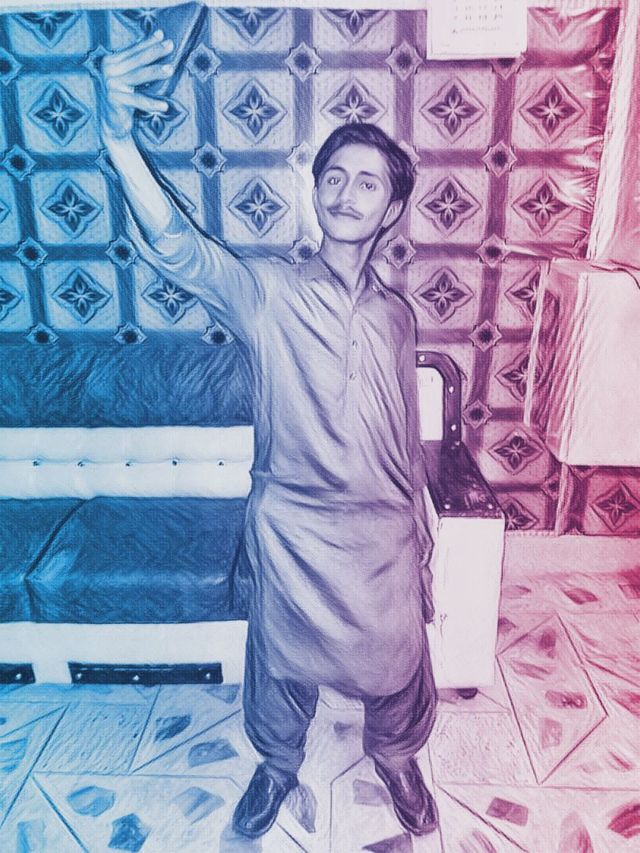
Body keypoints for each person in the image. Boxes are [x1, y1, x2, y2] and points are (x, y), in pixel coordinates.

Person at [98, 28, 438, 839]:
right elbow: (182, 249)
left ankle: (396, 753)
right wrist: (118, 140)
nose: (348, 192)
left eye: (369, 182)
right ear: (315, 192)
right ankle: (278, 761)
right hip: (293, 527)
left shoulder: (397, 314)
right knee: (280, 661)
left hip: (383, 530)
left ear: (392, 208)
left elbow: (403, 428)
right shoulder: (268, 293)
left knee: (400, 660)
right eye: (334, 176)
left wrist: (419, 518)